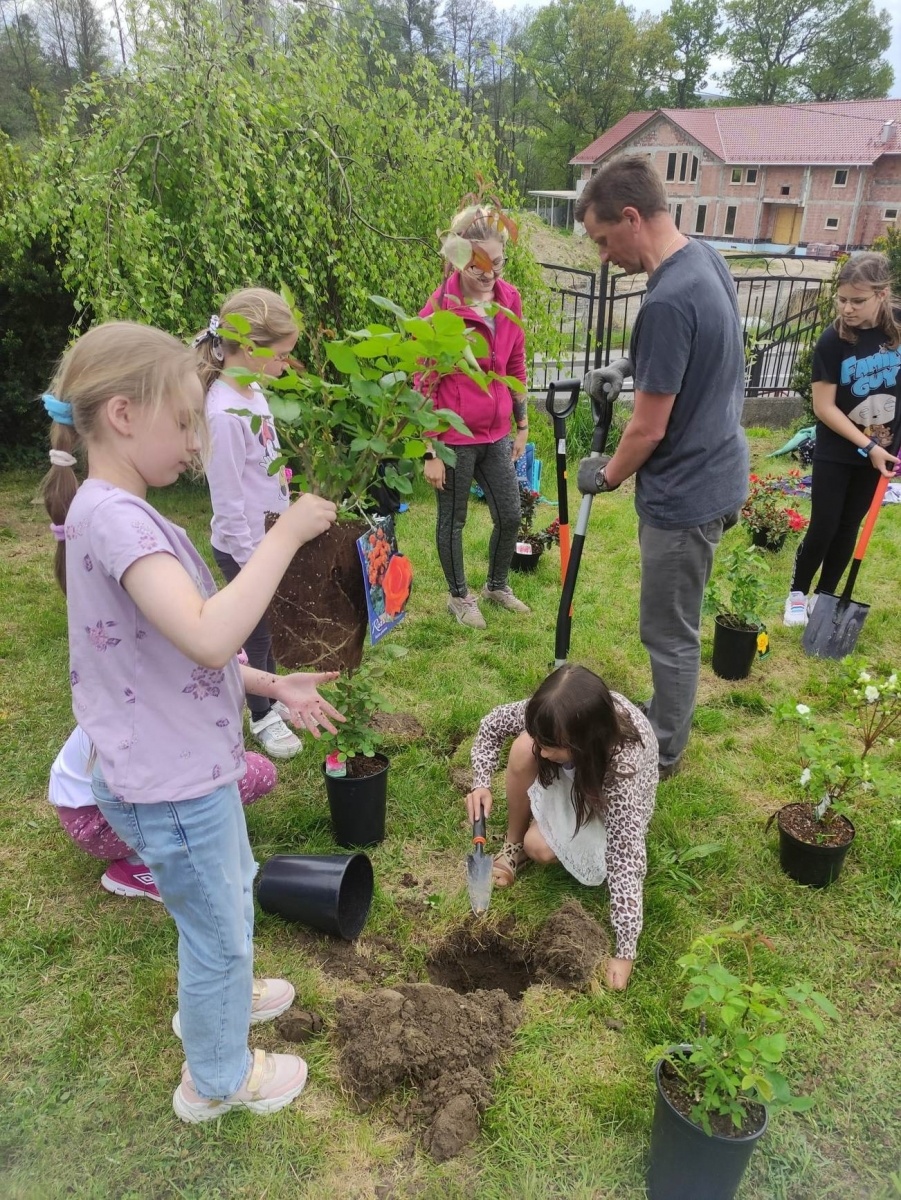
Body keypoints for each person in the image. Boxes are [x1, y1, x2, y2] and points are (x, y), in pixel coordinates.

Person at [41, 321, 343, 1122]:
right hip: (170, 782)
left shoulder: (115, 511)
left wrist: (272, 684)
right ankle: (214, 1078)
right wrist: (283, 531)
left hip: (183, 767)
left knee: (226, 900)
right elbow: (210, 630)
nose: (195, 445)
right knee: (217, 931)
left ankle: (224, 1000)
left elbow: (175, 654)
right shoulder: (117, 521)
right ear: (121, 415)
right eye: (183, 423)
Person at [573, 156, 748, 779]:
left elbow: (647, 428)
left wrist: (607, 473)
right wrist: (628, 367)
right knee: (675, 621)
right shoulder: (702, 261)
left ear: (630, 218)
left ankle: (665, 750)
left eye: (602, 239)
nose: (602, 255)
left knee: (668, 631)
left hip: (686, 492)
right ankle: (665, 719)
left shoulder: (668, 298)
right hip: (720, 469)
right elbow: (685, 353)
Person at [465, 664, 657, 990]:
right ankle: (512, 846)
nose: (542, 750)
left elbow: (626, 857)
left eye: (551, 746)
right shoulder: (559, 710)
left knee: (538, 846)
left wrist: (625, 952)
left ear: (583, 743)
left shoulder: (621, 770)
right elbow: (492, 725)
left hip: (600, 797)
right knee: (523, 749)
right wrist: (481, 783)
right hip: (574, 772)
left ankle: (542, 826)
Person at [196, 287, 302, 758]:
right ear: (250, 349)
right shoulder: (221, 413)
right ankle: (260, 717)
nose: (284, 366)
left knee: (271, 624)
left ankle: (269, 697)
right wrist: (250, 560)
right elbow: (228, 503)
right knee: (255, 631)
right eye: (280, 356)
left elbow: (260, 465)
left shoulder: (253, 391)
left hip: (267, 538)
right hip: (244, 546)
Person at [419, 204, 530, 630]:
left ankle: (496, 585)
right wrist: (429, 447)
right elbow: (423, 380)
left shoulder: (509, 298)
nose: (489, 275)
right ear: (459, 258)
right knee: (455, 519)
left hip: (496, 432)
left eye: (497, 263)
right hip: (453, 436)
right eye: (478, 265)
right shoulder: (440, 310)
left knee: (510, 512)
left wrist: (521, 424)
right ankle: (458, 597)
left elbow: (515, 362)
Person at [783, 252, 901, 626]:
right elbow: (824, 408)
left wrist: (888, 448)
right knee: (825, 525)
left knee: (850, 525)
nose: (847, 308)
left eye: (857, 300)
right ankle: (798, 595)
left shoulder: (898, 327)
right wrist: (867, 447)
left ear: (882, 295)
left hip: (883, 449)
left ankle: (826, 597)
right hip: (839, 447)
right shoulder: (834, 340)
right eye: (842, 299)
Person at [49, 725, 279, 902]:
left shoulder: (137, 697)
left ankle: (166, 848)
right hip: (100, 825)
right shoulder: (142, 726)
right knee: (241, 778)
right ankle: (145, 866)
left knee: (249, 770)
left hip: (95, 812)